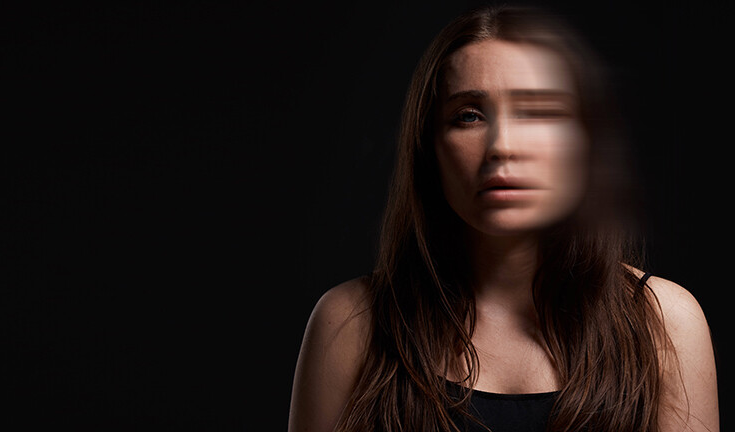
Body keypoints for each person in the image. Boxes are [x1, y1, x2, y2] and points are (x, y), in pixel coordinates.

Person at [288, 5, 718, 432]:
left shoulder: (663, 323)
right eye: (468, 115)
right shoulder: (351, 324)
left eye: (536, 111)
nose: (502, 146)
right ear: (429, 149)